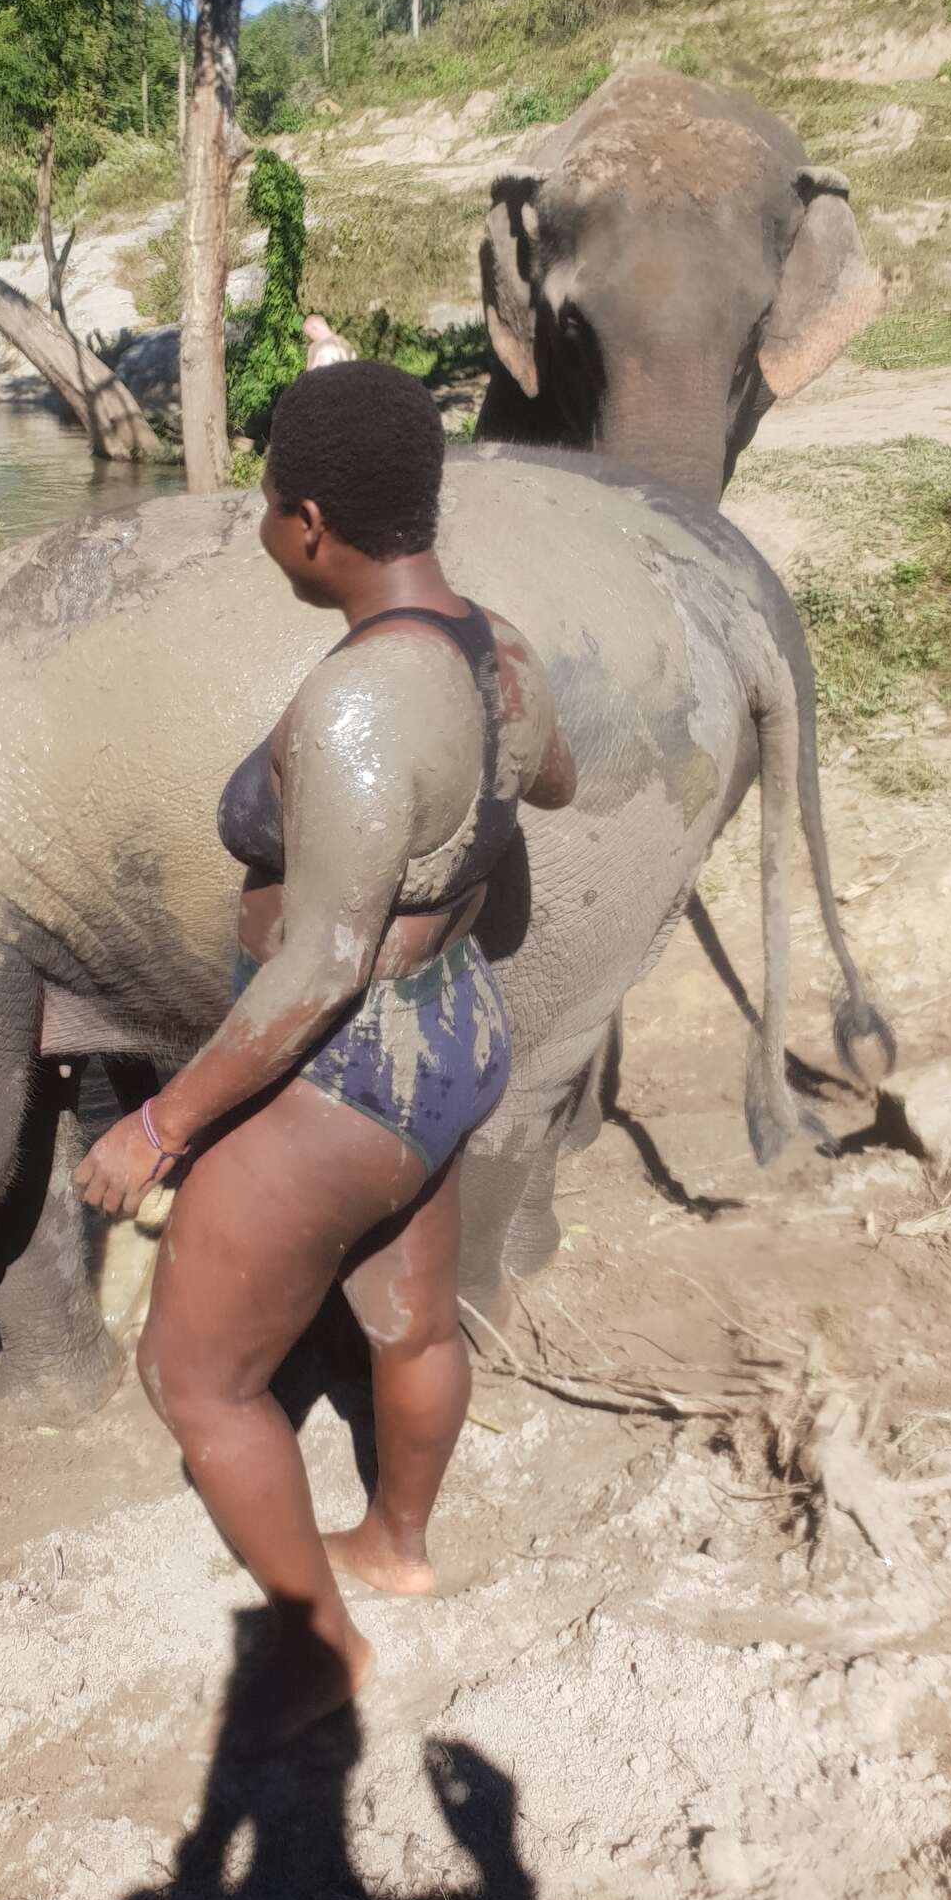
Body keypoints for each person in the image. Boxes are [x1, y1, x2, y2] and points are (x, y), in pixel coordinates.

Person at [73, 358, 577, 1746]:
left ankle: (321, 1650)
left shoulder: (362, 697)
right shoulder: (503, 646)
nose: (262, 533)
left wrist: (156, 1126)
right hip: (459, 1030)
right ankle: (397, 1542)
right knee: (409, 1312)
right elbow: (554, 776)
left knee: (197, 1376)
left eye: (263, 509)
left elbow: (321, 963)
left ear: (307, 525)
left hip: (353, 1075)